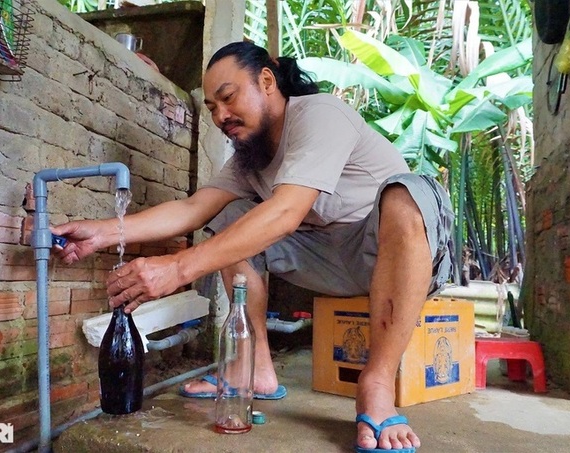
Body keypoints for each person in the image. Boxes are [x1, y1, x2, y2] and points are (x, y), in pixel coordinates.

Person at [52, 41, 454, 452]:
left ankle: (377, 384)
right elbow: (193, 208)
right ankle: (255, 368)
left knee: (409, 193)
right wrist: (104, 232)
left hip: (394, 255)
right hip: (327, 262)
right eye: (211, 107)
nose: (220, 116)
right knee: (229, 216)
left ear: (266, 81)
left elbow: (286, 213)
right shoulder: (250, 157)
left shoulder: (320, 115)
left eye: (228, 98)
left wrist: (177, 268)